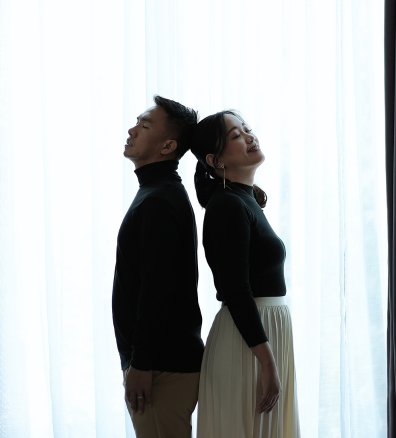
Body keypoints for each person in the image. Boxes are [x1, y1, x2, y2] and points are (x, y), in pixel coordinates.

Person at [190, 110, 300, 437]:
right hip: (247, 345)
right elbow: (236, 290)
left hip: (261, 339)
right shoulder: (227, 204)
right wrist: (267, 362)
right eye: (237, 135)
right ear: (216, 160)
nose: (250, 136)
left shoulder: (244, 200)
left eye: (247, 129)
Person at [112, 95, 204, 438]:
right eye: (137, 121)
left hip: (161, 368)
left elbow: (157, 291)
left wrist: (141, 363)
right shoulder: (158, 192)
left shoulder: (160, 200)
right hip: (161, 364)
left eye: (145, 125)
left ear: (168, 146)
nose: (132, 129)